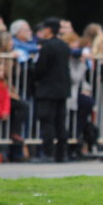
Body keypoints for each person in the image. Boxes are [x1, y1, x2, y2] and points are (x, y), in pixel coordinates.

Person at [33, 18, 72, 162]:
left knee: (47, 121)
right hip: (62, 89)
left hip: (48, 89)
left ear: (48, 30)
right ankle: (62, 154)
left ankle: (48, 153)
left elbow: (41, 69)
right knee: (60, 122)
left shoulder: (47, 47)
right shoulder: (64, 46)